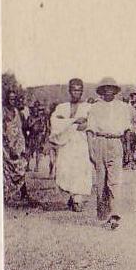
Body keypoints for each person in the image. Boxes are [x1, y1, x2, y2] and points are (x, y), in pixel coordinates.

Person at [86, 78, 132, 229]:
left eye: (111, 88)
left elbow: (127, 130)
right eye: (105, 88)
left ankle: (114, 215)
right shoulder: (95, 107)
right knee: (101, 181)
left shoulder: (123, 107)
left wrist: (128, 149)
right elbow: (90, 130)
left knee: (114, 181)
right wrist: (91, 149)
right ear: (101, 90)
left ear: (115, 90)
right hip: (100, 142)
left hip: (116, 142)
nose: (108, 91)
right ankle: (103, 213)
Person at [49, 78, 93, 211]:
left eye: (79, 90)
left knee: (80, 170)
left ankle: (77, 200)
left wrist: (68, 122)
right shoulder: (62, 107)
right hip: (66, 144)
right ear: (69, 91)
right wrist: (74, 121)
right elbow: (56, 123)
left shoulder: (88, 107)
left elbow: (88, 124)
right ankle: (72, 196)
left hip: (81, 144)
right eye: (74, 90)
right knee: (66, 170)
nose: (76, 93)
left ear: (82, 91)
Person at [3, 89, 33, 206]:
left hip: (19, 143)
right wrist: (8, 146)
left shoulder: (18, 112)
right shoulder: (3, 112)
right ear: (7, 99)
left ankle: (23, 192)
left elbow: (25, 128)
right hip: (7, 144)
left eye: (14, 98)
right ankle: (8, 194)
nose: (13, 101)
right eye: (11, 98)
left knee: (21, 167)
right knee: (9, 169)